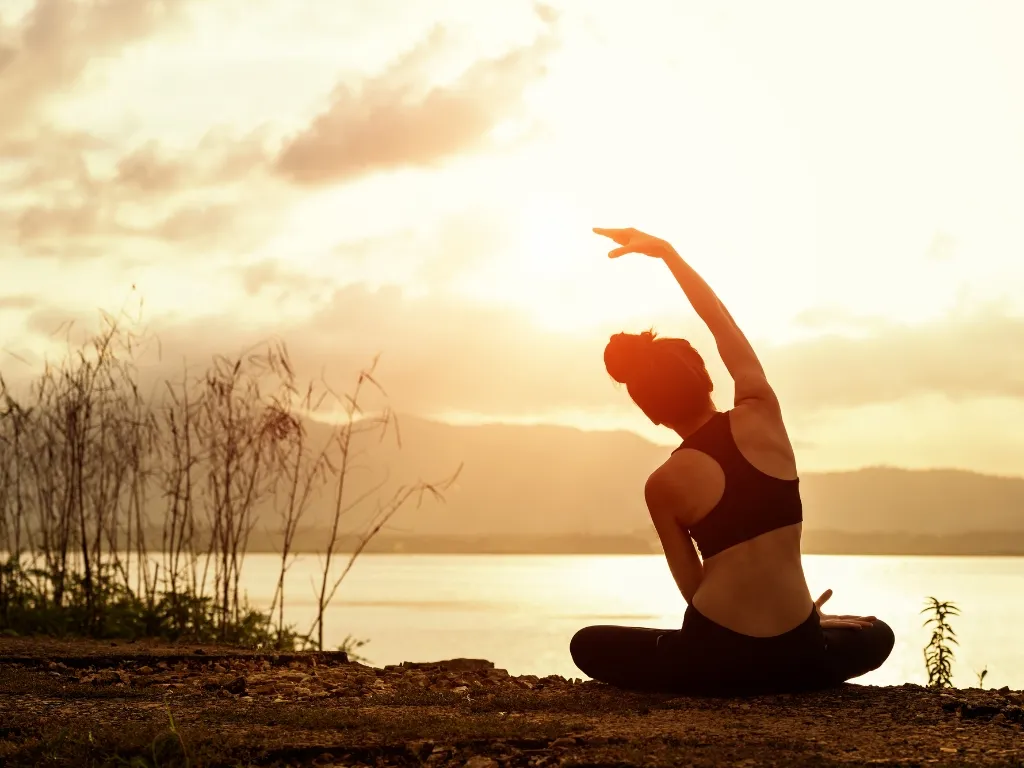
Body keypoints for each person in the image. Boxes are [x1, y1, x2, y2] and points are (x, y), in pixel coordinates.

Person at [570, 227, 894, 696]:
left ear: (652, 414)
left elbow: (695, 591)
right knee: (875, 632)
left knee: (590, 644)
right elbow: (721, 323)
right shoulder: (763, 413)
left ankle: (718, 666)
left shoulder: (662, 486)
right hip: (799, 654)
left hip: (716, 663)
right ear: (705, 377)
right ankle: (800, 646)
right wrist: (667, 254)